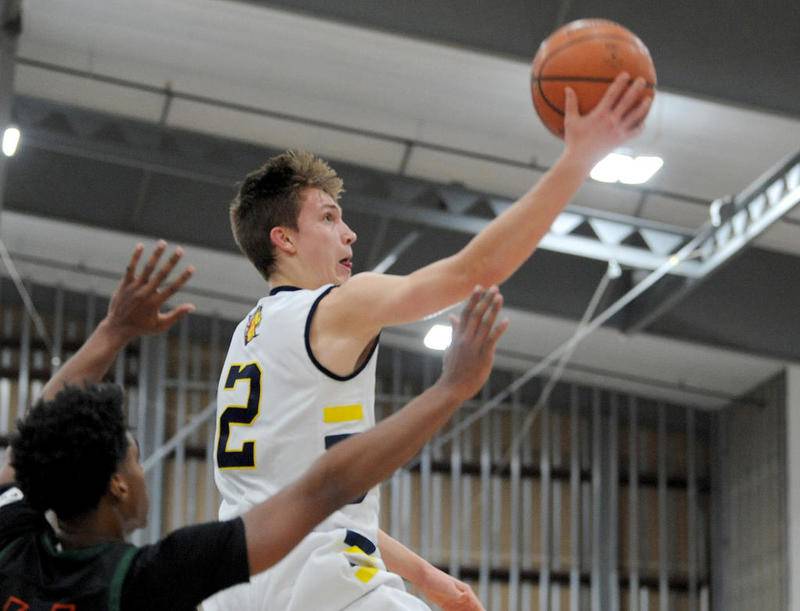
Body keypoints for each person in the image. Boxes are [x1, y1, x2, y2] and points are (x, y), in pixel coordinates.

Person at [206, 74, 651, 610]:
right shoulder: (337, 306)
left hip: (234, 590)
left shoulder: (245, 337)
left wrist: (425, 575)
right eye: (328, 218)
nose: (349, 233)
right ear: (284, 240)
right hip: (325, 588)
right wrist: (578, 160)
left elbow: (318, 498)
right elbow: (475, 270)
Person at [0, 243, 507, 611]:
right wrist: (451, 389)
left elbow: (31, 442)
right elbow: (321, 489)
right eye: (134, 456)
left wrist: (113, 330)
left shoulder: (10, 541)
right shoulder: (142, 582)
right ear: (117, 484)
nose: (141, 468)